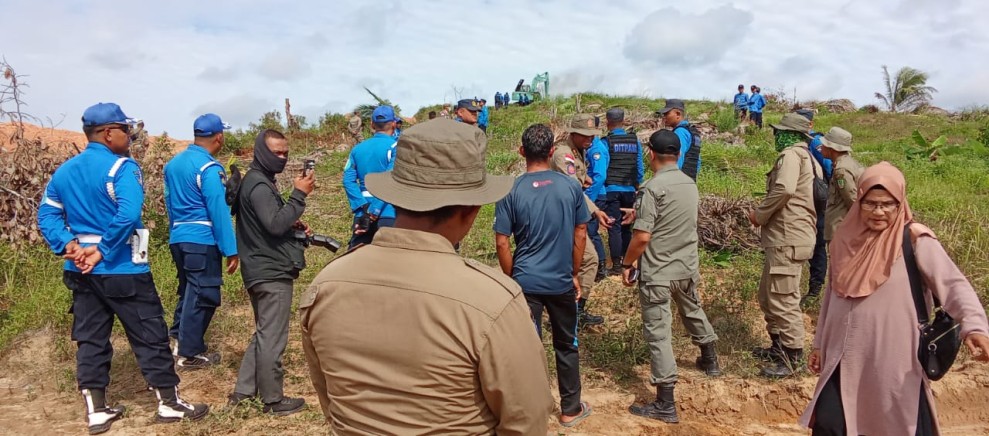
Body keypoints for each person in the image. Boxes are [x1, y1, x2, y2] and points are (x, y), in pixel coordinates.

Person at [301, 119, 554, 435]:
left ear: (394, 196)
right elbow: (526, 422)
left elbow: (330, 401)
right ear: (471, 209)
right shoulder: (495, 302)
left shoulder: (325, 286)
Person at [38, 103, 208, 434]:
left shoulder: (65, 171)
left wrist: (69, 246)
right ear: (108, 132)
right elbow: (128, 214)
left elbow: (47, 215)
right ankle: (169, 403)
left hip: (81, 272)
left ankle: (97, 411)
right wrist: (101, 251)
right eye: (126, 130)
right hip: (123, 268)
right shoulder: (122, 169)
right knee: (150, 334)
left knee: (90, 339)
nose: (130, 137)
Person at [799, 162, 989, 436]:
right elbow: (832, 295)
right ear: (859, 201)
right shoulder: (844, 239)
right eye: (871, 204)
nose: (878, 211)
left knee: (895, 423)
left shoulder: (915, 240)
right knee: (830, 423)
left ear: (900, 203)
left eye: (888, 204)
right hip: (843, 357)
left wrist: (975, 326)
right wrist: (819, 344)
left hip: (893, 358)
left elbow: (954, 285)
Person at [495, 124, 594, 428]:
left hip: (525, 283)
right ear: (552, 152)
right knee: (567, 344)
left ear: (521, 151)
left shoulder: (509, 190)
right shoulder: (570, 187)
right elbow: (580, 233)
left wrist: (512, 279)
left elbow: (502, 241)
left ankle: (530, 411)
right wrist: (574, 273)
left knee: (528, 348)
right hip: (561, 281)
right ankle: (570, 409)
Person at [621, 130, 721, 424]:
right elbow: (671, 218)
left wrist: (627, 263)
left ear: (650, 153)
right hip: (685, 266)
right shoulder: (689, 183)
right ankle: (710, 358)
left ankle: (665, 402)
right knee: (692, 308)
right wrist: (637, 213)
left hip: (659, 273)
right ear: (678, 154)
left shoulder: (652, 188)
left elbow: (642, 237)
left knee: (659, 332)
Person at [229, 129, 312, 416]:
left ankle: (243, 391)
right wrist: (299, 196)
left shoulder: (257, 182)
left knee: (264, 332)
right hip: (270, 270)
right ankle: (273, 400)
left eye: (285, 153)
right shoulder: (260, 186)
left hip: (260, 266)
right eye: (276, 152)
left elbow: (272, 223)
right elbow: (275, 225)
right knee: (273, 337)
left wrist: (294, 222)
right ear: (261, 152)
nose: (282, 157)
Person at [747, 113, 822, 378]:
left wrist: (760, 214)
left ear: (792, 135)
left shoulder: (792, 156)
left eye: (780, 131)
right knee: (769, 295)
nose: (776, 135)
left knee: (783, 298)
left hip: (788, 237)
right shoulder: (810, 159)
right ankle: (778, 346)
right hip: (788, 237)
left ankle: (791, 358)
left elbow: (785, 189)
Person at [163, 113, 239, 369]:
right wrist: (231, 249)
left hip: (179, 237)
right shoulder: (209, 168)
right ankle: (189, 353)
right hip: (202, 239)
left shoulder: (173, 164)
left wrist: (175, 232)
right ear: (219, 137)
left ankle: (177, 339)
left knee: (188, 291)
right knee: (204, 294)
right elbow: (217, 209)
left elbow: (169, 202)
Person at [551, 114, 614, 326]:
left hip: (572, 215)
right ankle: (570, 313)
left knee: (579, 262)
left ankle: (573, 311)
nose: (590, 139)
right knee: (587, 260)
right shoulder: (564, 155)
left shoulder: (578, 152)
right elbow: (573, 189)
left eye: (592, 135)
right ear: (574, 133)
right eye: (586, 135)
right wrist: (595, 211)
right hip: (562, 217)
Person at [342, 106, 398, 249]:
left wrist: (363, 206)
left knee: (356, 260)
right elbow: (389, 178)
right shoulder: (396, 147)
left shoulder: (357, 149)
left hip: (362, 213)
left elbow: (348, 180)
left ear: (372, 125)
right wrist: (375, 211)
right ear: (393, 124)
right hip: (388, 211)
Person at [796, 109, 832, 306]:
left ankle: (815, 289)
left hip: (819, 202)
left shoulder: (816, 143)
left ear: (810, 124)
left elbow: (831, 170)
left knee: (818, 244)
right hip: (807, 202)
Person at [602, 107, 644, 276]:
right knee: (627, 226)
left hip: (612, 189)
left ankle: (617, 264)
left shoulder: (606, 142)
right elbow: (639, 166)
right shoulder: (634, 141)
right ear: (624, 121)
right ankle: (628, 260)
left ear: (607, 122)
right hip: (630, 189)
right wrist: (637, 185)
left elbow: (603, 167)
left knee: (614, 226)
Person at [819, 127, 863, 243]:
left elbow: (851, 199)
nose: (820, 148)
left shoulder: (841, 170)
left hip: (840, 228)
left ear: (832, 148)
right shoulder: (850, 163)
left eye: (823, 145)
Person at [586, 120, 610, 282]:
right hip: (594, 194)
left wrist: (589, 198)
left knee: (591, 232)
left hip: (596, 195)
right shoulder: (589, 147)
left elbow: (600, 176)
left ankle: (600, 267)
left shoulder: (596, 149)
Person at [658, 99, 702, 180]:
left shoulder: (679, 132)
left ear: (677, 114)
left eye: (667, 114)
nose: (664, 117)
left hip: (678, 180)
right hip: (690, 180)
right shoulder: (693, 132)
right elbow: (697, 161)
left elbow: (678, 158)